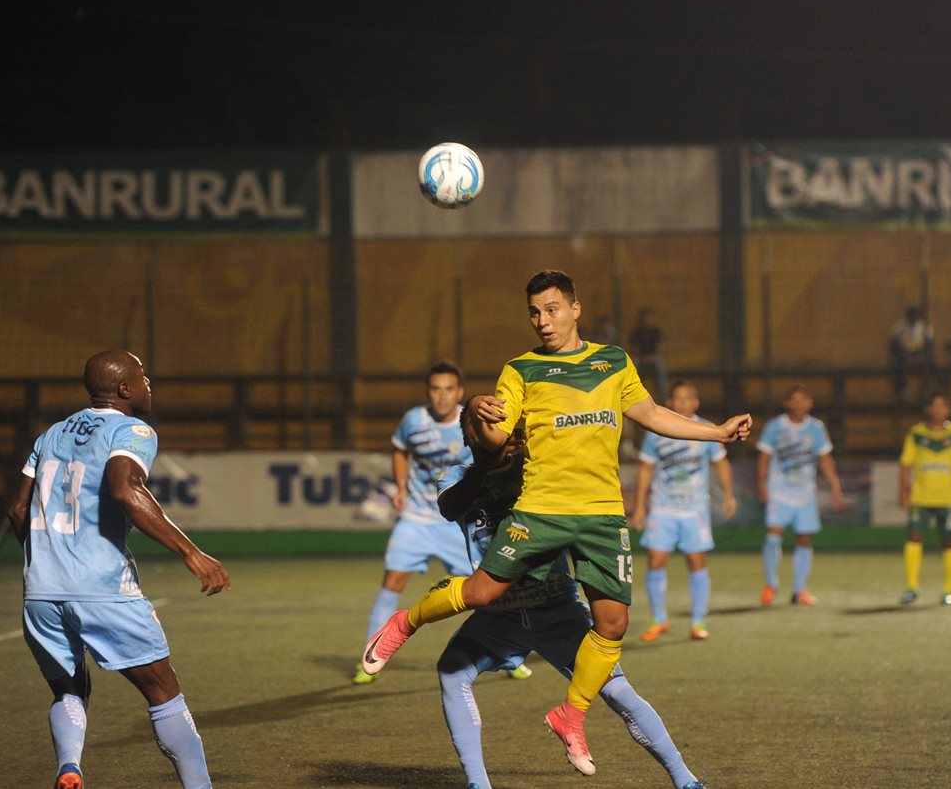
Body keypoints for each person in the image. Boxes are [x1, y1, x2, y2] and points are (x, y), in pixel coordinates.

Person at [361, 269, 752, 777]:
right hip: (542, 508)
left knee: (614, 626)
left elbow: (651, 413)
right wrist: (481, 414)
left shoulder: (613, 361)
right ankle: (403, 622)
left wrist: (716, 432)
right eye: (533, 312)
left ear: (574, 308)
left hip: (602, 513)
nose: (542, 321)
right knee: (479, 592)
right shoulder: (520, 369)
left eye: (551, 309)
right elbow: (499, 440)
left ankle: (571, 714)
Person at [434, 407, 705, 789]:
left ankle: (686, 780)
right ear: (469, 437)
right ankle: (478, 785)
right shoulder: (456, 477)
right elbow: (450, 508)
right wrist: (485, 464)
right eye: (482, 425)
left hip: (556, 607)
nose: (494, 429)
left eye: (500, 422)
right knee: (452, 671)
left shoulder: (537, 470)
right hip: (499, 613)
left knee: (618, 692)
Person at [5, 350, 230, 789]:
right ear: (125, 389)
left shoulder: (50, 434)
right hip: (102, 587)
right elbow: (126, 489)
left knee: (69, 691)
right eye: (144, 378)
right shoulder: (132, 429)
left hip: (40, 591)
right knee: (163, 692)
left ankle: (69, 767)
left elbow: (17, 508)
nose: (149, 385)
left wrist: (51, 559)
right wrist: (191, 553)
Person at [354, 361, 503, 683]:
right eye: (436, 389)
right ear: (428, 391)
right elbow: (399, 449)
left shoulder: (472, 420)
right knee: (392, 581)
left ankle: (504, 653)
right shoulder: (413, 420)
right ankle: (369, 654)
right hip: (416, 519)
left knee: (484, 590)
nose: (442, 396)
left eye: (449, 389)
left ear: (459, 392)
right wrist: (401, 486)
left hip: (455, 520)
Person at [630, 379, 736, 642]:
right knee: (655, 561)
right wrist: (640, 505)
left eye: (688, 398)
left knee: (696, 561)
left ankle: (698, 621)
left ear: (696, 402)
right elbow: (645, 467)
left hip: (694, 509)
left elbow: (721, 463)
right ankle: (659, 618)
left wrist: (728, 495)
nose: (683, 402)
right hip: (663, 508)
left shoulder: (707, 430)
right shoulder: (656, 430)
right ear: (669, 403)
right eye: (678, 398)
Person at [756, 385, 843, 607]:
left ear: (810, 403)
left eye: (803, 399)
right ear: (786, 403)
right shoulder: (775, 427)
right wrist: (762, 483)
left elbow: (825, 458)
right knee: (773, 534)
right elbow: (764, 456)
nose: (798, 404)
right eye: (794, 400)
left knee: (804, 539)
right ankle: (770, 584)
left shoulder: (816, 428)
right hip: (779, 491)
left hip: (805, 494)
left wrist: (835, 486)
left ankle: (799, 590)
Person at [898, 390, 951, 606]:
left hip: (948, 499)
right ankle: (912, 587)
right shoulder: (916, 433)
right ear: (928, 408)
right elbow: (906, 464)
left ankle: (948, 589)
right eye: (935, 405)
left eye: (943, 406)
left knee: (949, 541)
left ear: (949, 410)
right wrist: (903, 490)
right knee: (914, 537)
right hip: (920, 498)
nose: (939, 410)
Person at [888, 305, 936, 402]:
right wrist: (906, 356)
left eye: (915, 315)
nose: (913, 318)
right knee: (896, 363)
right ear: (907, 316)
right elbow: (894, 347)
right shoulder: (898, 328)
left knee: (933, 365)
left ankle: (925, 390)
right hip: (904, 356)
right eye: (911, 315)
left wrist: (920, 356)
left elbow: (929, 346)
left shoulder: (925, 328)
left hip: (920, 356)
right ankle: (903, 390)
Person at [630, 306, 669, 400]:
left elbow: (660, 348)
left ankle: (663, 393)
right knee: (633, 364)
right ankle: (633, 391)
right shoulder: (637, 331)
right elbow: (633, 348)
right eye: (645, 318)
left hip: (653, 358)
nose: (647, 320)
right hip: (640, 358)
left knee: (660, 364)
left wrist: (651, 357)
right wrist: (641, 357)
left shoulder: (656, 331)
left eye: (649, 318)